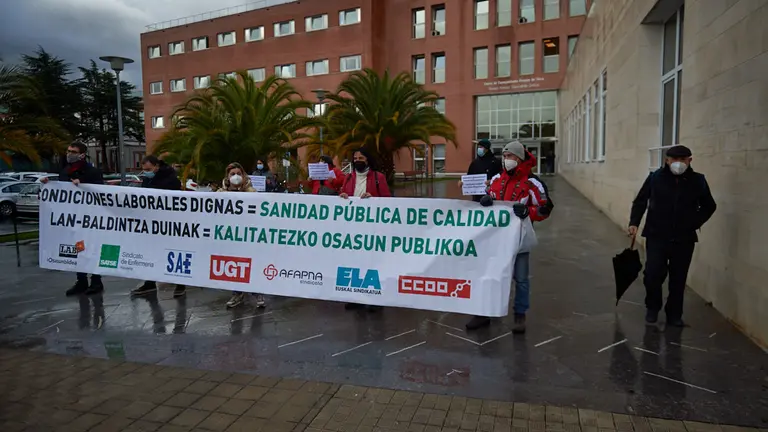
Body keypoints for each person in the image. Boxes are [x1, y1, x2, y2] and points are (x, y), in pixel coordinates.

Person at [469, 140, 552, 333]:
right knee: (490, 275)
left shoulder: (533, 183)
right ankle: (484, 312)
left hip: (519, 239)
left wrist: (529, 212)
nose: (507, 160)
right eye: (505, 157)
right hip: (495, 240)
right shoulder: (498, 178)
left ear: (520, 158)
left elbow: (545, 208)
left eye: (511, 157)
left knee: (521, 278)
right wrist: (485, 200)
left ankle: (520, 314)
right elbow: (488, 195)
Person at [628, 145, 716, 327]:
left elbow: (709, 206)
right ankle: (652, 307)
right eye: (674, 159)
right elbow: (641, 201)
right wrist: (634, 222)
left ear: (690, 161)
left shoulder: (698, 181)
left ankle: (674, 315)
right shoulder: (655, 179)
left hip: (684, 238)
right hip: (656, 235)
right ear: (667, 160)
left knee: (678, 278)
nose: (678, 163)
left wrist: (694, 222)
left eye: (683, 160)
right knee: (652, 274)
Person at [42, 142, 105, 296]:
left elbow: (101, 191)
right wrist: (48, 185)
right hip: (73, 218)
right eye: (68, 150)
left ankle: (96, 281)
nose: (69, 153)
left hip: (90, 219)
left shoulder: (92, 172)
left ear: (82, 154)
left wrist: (83, 185)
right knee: (78, 249)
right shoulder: (64, 171)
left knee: (92, 249)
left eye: (73, 151)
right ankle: (81, 280)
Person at [340, 149, 391, 311]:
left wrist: (373, 199)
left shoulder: (378, 178)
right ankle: (356, 296)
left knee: (373, 263)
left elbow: (388, 201)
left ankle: (376, 298)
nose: (357, 160)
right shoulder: (348, 177)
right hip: (353, 228)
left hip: (372, 228)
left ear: (368, 160)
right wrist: (341, 196)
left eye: (361, 157)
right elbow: (343, 194)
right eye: (355, 158)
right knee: (355, 262)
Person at [131, 155, 187, 298]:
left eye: (148, 169)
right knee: (151, 253)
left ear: (156, 166)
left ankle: (180, 283)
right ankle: (149, 283)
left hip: (170, 222)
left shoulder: (170, 178)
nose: (146, 172)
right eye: (144, 170)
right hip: (152, 223)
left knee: (173, 252)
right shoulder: (148, 179)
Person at [217, 162, 266, 309]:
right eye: (232, 174)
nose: (236, 176)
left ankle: (256, 292)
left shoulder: (252, 193)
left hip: (248, 235)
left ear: (243, 176)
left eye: (239, 173)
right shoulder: (220, 194)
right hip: (229, 235)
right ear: (227, 177)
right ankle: (237, 293)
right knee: (234, 263)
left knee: (251, 263)